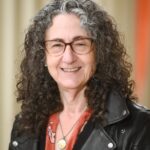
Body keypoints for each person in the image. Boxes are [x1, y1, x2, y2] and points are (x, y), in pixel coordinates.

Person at [9, 0, 150, 150]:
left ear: (99, 51)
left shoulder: (140, 126)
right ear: (43, 56)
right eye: (57, 45)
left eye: (80, 44)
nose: (69, 58)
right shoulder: (24, 125)